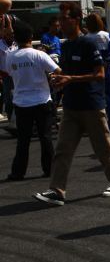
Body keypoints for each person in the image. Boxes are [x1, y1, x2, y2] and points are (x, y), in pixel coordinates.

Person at [34, 2, 110, 206]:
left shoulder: (89, 43)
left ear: (75, 20)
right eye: (60, 18)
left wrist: (71, 79)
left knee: (102, 147)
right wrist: (58, 80)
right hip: (71, 106)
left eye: (64, 18)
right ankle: (57, 190)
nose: (60, 22)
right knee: (63, 149)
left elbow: (99, 74)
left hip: (92, 105)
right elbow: (65, 73)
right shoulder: (65, 46)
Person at [2, 21, 60, 181]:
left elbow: (9, 73)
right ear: (31, 37)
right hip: (42, 100)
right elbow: (57, 70)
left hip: (21, 102)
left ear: (16, 39)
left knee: (23, 140)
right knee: (45, 137)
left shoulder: (10, 56)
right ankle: (50, 169)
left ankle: (18, 172)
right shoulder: (39, 55)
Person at [85, 14, 110, 134]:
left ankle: (95, 126)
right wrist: (105, 64)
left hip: (92, 72)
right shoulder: (107, 35)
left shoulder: (86, 38)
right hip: (107, 70)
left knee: (94, 98)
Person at [0, 0, 18, 136]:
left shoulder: (10, 19)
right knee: (9, 97)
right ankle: (13, 122)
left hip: (16, 72)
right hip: (5, 73)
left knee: (14, 97)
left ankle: (16, 122)